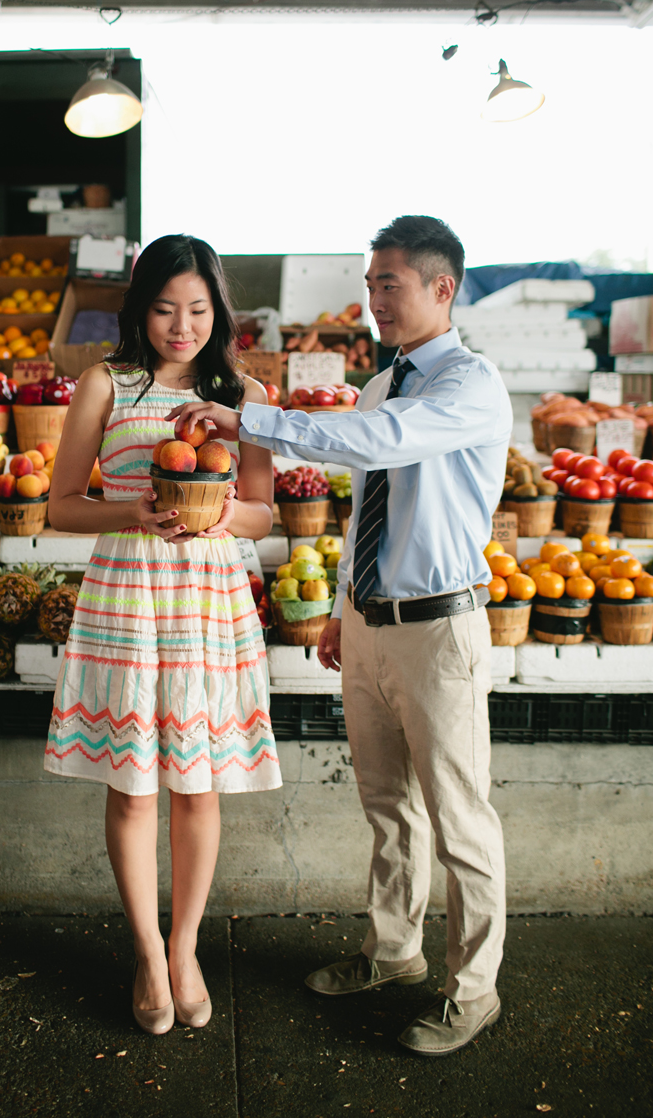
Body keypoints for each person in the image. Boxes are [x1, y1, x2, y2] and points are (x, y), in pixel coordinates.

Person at [167, 215, 513, 1057]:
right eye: (369, 284)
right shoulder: (379, 381)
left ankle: (472, 993)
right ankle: (392, 954)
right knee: (388, 808)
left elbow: (380, 443)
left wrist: (251, 419)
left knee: (461, 821)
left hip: (439, 632)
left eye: (387, 284)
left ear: (441, 287)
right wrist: (343, 607)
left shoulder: (467, 385)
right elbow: (370, 498)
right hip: (369, 626)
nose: (372, 301)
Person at [44, 234, 282, 1037]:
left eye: (197, 309)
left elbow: (261, 510)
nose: (181, 326)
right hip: (129, 597)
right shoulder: (106, 383)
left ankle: (187, 950)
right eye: (164, 308)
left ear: (218, 314)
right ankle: (146, 950)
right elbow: (60, 504)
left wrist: (212, 519)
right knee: (134, 783)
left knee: (199, 782)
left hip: (208, 599)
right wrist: (132, 512)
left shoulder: (240, 392)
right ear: (139, 310)